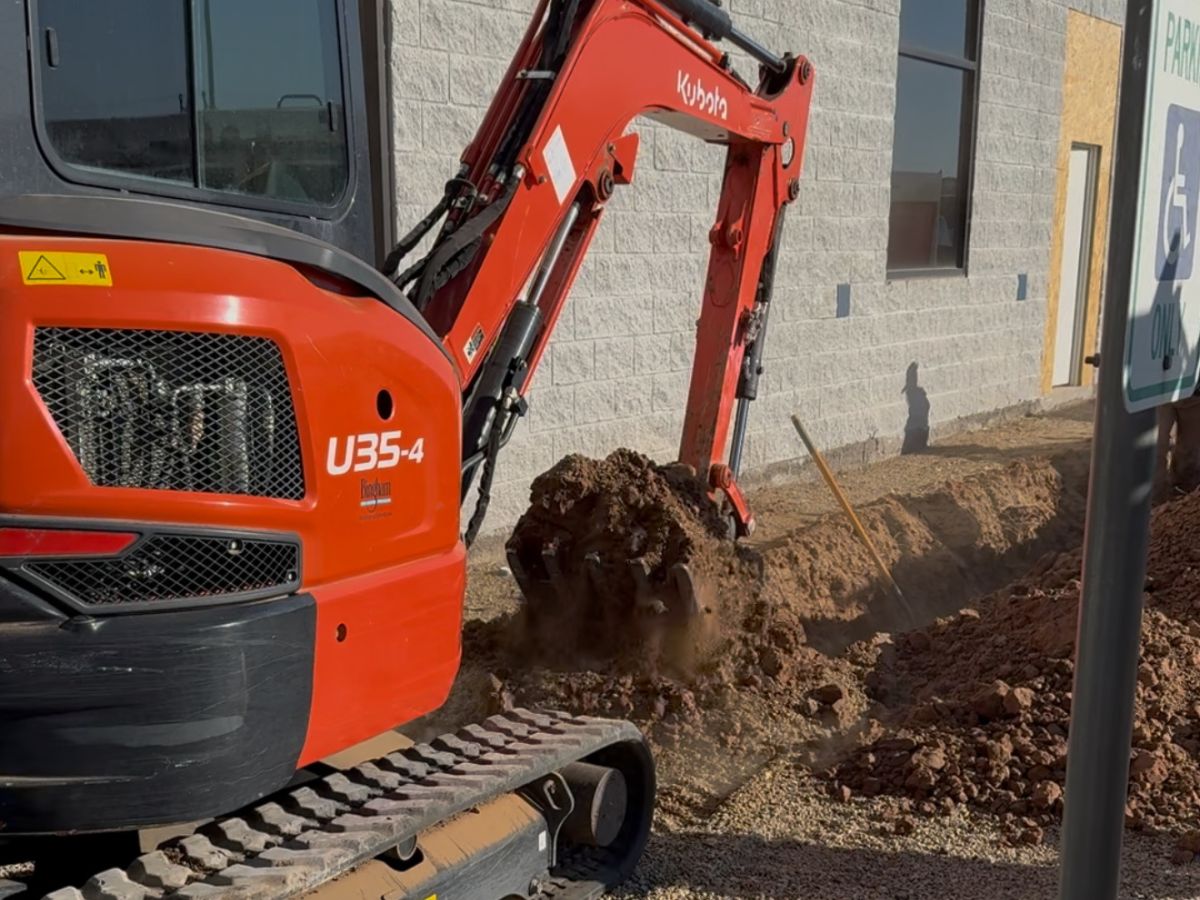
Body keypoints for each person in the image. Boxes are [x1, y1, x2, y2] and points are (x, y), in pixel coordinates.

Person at [1154, 385, 1200, 502]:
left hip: (1195, 395)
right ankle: (1154, 502)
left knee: (1189, 455)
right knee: (1154, 450)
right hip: (1160, 391)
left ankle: (1181, 500)